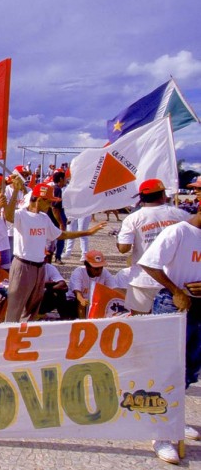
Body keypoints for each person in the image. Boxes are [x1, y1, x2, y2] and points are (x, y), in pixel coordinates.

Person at [138, 211, 201, 464]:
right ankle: (160, 433)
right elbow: (149, 262)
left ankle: (173, 420)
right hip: (174, 304)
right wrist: (177, 290)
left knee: (189, 370)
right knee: (166, 370)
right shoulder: (179, 232)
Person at [4, 179, 106, 322]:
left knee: (33, 308)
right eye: (49, 202)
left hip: (40, 266)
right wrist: (15, 190)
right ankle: (8, 338)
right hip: (23, 266)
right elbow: (8, 216)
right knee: (15, 308)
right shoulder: (21, 215)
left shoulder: (44, 218)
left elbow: (61, 235)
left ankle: (24, 338)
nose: (51, 205)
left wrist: (87, 232)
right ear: (39, 199)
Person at [116, 179, 189, 316]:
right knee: (170, 329)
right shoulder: (181, 215)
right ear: (162, 194)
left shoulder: (133, 218)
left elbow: (123, 248)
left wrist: (118, 240)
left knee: (140, 326)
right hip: (173, 281)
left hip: (142, 279)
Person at [66, 250, 115, 319]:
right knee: (82, 303)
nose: (99, 271)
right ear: (87, 266)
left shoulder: (105, 272)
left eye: (101, 267)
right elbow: (78, 294)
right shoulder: (78, 272)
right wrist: (83, 301)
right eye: (96, 269)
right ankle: (82, 324)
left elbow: (114, 289)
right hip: (75, 301)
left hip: (93, 302)